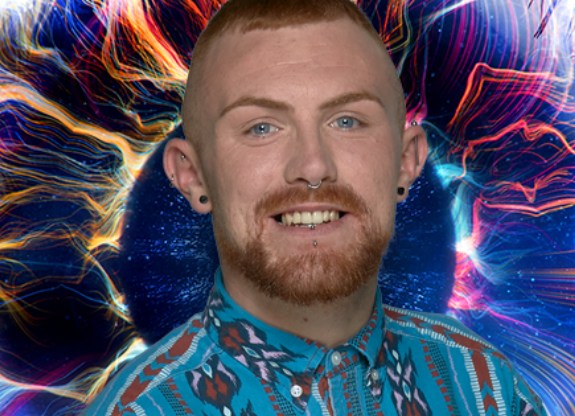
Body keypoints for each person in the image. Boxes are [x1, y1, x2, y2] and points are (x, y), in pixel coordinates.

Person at [85, 0, 547, 414]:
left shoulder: (484, 386)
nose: (312, 166)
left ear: (406, 163)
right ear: (193, 176)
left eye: (347, 121)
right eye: (262, 128)